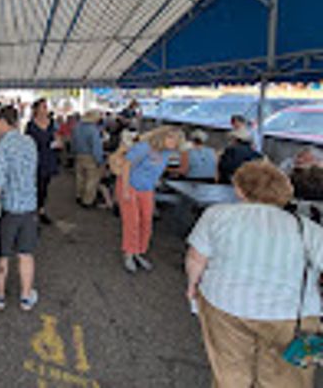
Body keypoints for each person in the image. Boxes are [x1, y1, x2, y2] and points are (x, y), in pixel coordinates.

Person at [186, 161, 323, 387]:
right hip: (291, 316)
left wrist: (192, 287)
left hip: (226, 304)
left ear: (240, 190)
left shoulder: (217, 214)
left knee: (230, 371)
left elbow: (196, 258)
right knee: (286, 379)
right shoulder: (308, 228)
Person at [0, 105, 39, 311]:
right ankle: (26, 296)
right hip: (29, 207)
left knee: (3, 254)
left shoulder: (3, 147)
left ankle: (0, 295)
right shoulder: (30, 142)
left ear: (4, 122)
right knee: (25, 254)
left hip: (8, 209)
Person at [118, 126, 181, 273]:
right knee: (132, 222)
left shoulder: (167, 152)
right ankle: (129, 253)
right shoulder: (144, 147)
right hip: (130, 185)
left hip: (147, 189)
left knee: (147, 221)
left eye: (177, 140)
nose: (175, 142)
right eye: (171, 138)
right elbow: (126, 165)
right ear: (162, 136)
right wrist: (125, 189)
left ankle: (139, 251)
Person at [25, 99, 59, 225]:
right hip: (36, 158)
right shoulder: (31, 125)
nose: (46, 109)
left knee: (45, 185)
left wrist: (57, 143)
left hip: (49, 157)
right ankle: (35, 210)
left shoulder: (51, 123)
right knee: (36, 185)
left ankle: (41, 209)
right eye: (43, 107)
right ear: (36, 109)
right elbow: (28, 143)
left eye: (46, 106)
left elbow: (56, 136)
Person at [72, 110, 105, 209]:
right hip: (90, 157)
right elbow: (96, 147)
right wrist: (99, 160)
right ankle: (87, 201)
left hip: (79, 155)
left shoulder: (77, 127)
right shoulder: (93, 130)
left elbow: (73, 142)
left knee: (80, 177)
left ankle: (79, 195)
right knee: (91, 180)